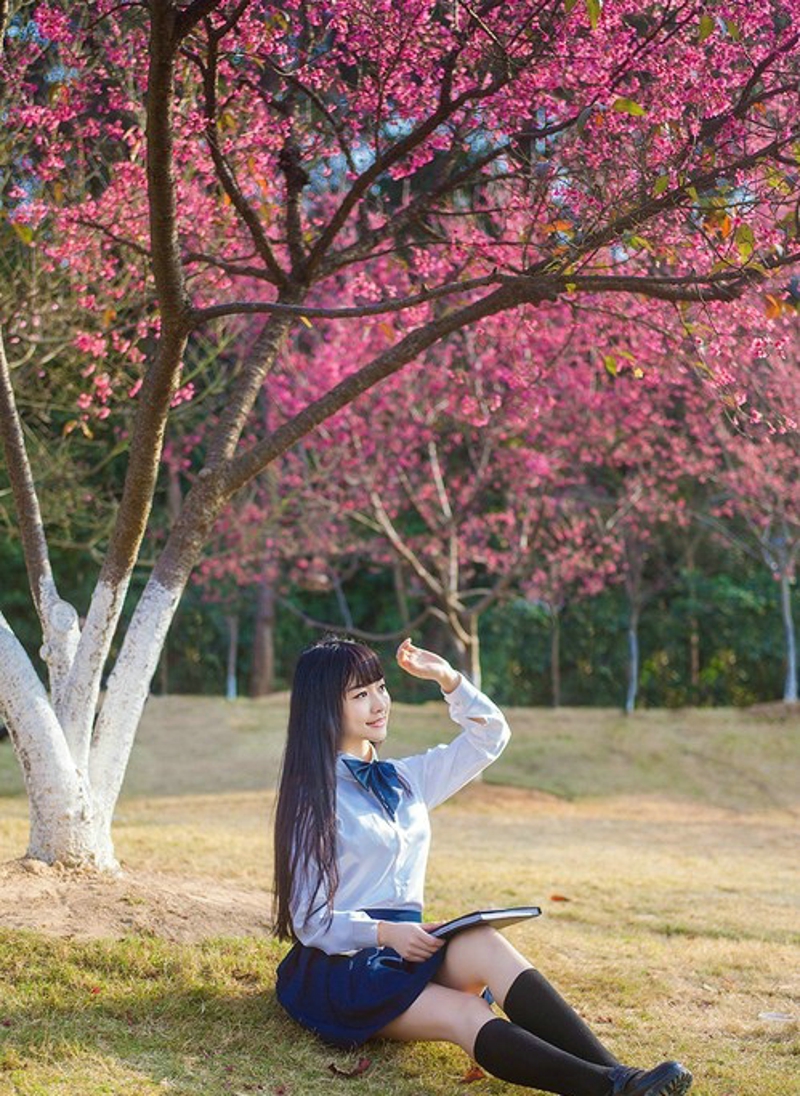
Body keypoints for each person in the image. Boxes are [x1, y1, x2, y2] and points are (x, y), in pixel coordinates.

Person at [272, 636, 693, 1096]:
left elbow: (490, 735)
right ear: (324, 709)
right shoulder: (312, 801)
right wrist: (385, 933)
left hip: (406, 949)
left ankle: (623, 1075)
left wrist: (449, 679)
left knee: (482, 940)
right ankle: (610, 1090)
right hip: (345, 969)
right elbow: (309, 921)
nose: (379, 704)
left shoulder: (405, 780)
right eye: (360, 695)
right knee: (468, 1015)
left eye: (381, 687)